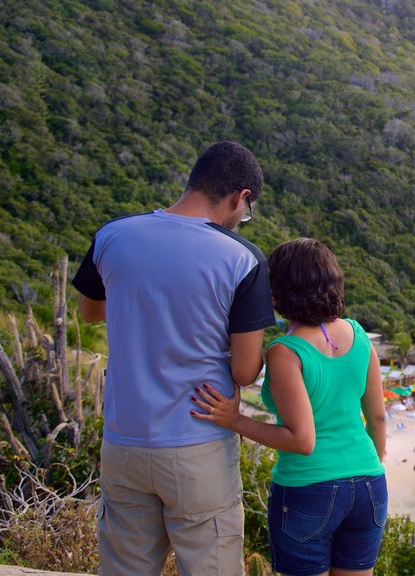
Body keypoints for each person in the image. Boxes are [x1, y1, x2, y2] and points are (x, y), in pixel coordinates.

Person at [73, 141, 274, 576]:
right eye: (247, 208)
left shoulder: (113, 235)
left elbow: (89, 313)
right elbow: (243, 369)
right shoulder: (243, 259)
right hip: (197, 440)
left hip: (124, 439)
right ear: (241, 197)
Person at [194, 238, 387, 576]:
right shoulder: (358, 334)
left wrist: (234, 419)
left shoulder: (286, 351)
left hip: (310, 488)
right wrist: (369, 467)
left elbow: (302, 440)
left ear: (279, 293)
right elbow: (377, 417)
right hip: (370, 482)